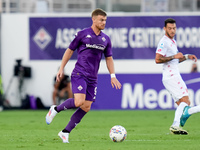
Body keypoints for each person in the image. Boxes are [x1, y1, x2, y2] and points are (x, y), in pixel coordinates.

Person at [45, 8, 121, 143]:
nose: (104, 22)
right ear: (94, 19)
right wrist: (61, 68)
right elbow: (69, 51)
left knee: (86, 107)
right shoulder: (82, 34)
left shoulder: (105, 39)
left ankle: (65, 132)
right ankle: (55, 109)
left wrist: (113, 75)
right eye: (101, 20)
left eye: (105, 20)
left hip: (93, 77)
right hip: (80, 73)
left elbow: (109, 58)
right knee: (79, 101)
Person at [155, 18, 199, 135]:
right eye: (169, 28)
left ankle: (176, 125)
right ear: (165, 29)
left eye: (174, 28)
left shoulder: (172, 42)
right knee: (186, 100)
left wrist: (186, 56)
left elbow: (175, 60)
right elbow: (157, 59)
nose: (172, 30)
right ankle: (175, 125)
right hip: (172, 75)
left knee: (183, 105)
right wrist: (174, 56)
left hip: (170, 75)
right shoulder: (164, 42)